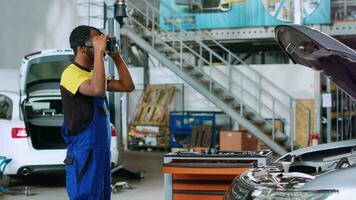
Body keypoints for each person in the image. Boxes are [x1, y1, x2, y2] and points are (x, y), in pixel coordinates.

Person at [60, 25, 134, 200]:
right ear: (81, 48)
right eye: (96, 41)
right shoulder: (70, 73)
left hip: (101, 152)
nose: (101, 44)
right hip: (83, 153)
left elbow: (127, 86)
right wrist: (100, 54)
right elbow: (97, 89)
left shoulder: (95, 74)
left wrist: (116, 57)